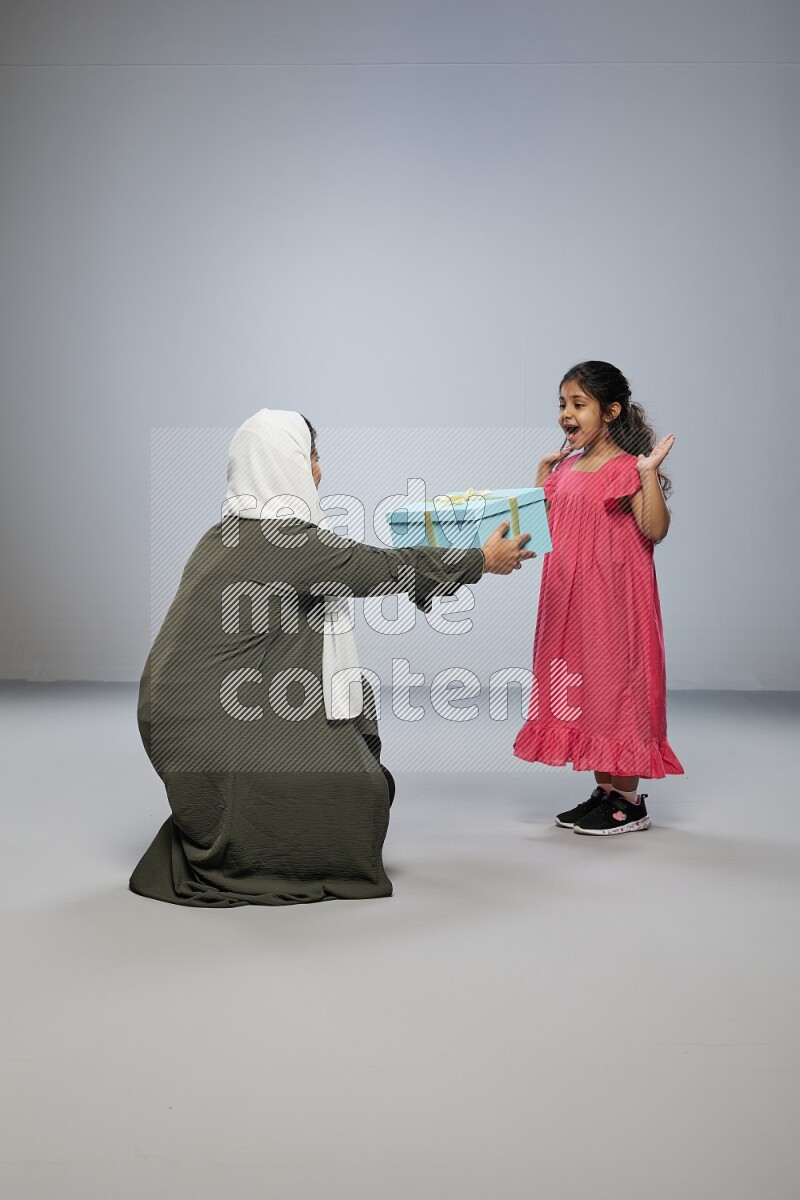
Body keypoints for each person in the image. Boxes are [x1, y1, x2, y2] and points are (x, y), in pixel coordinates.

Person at [131, 409, 533, 906]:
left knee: (347, 740)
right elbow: (382, 569)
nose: (319, 471)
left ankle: (235, 820)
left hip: (174, 718)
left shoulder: (223, 534)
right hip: (205, 726)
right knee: (359, 793)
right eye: (311, 456)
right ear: (286, 462)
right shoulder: (285, 540)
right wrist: (478, 560)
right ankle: (255, 841)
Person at [513, 361, 684, 834]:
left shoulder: (628, 467)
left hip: (613, 603)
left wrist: (648, 472)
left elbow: (655, 529)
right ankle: (606, 791)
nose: (566, 414)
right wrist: (540, 474)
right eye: (563, 404)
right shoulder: (565, 467)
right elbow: (533, 530)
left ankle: (630, 801)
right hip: (569, 602)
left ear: (610, 412)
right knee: (587, 691)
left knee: (616, 690)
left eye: (578, 404)